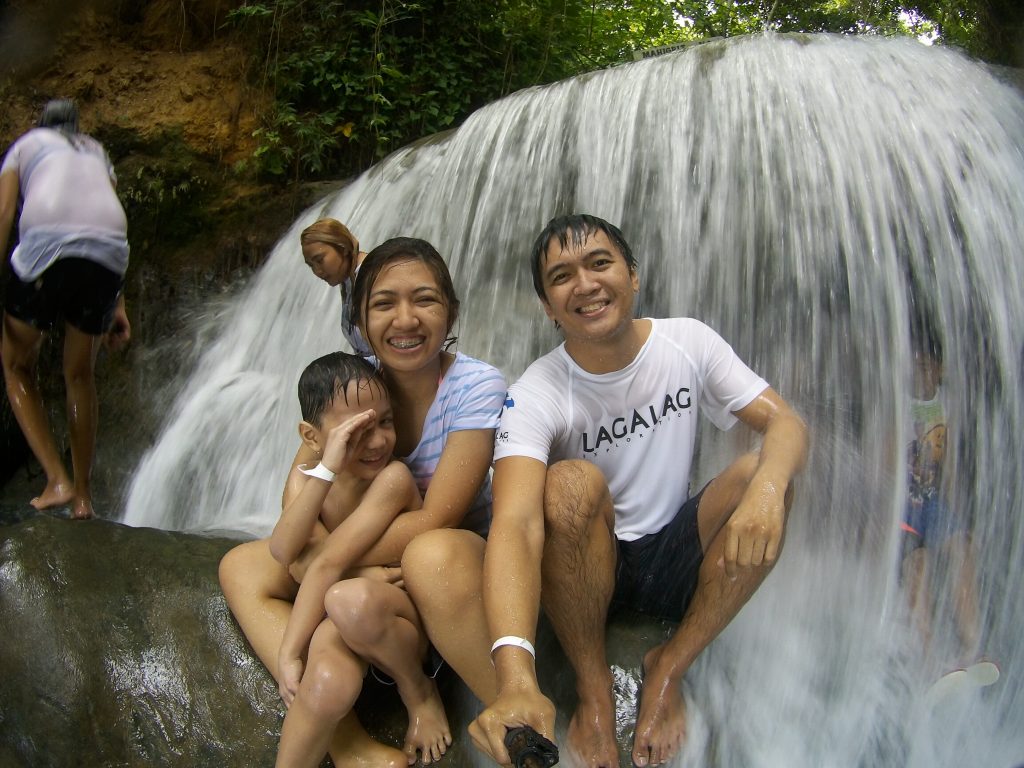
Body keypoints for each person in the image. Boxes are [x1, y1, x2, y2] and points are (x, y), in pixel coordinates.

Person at [405, 214, 808, 768]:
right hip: (588, 567)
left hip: (674, 552)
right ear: (548, 307)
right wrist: (517, 675)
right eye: (562, 276)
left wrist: (766, 490)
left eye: (600, 263)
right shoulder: (538, 391)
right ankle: (595, 694)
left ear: (633, 276)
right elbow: (517, 524)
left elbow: (785, 422)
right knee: (570, 481)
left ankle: (668, 667)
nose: (587, 285)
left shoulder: (687, 341)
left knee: (767, 474)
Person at [219, 236, 506, 767]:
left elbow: (436, 516)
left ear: (451, 311)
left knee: (426, 553)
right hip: (363, 566)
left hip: (440, 567)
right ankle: (349, 746)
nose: (405, 319)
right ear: (359, 316)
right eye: (383, 303)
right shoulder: (356, 384)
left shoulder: (475, 386)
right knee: (240, 565)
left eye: (424, 299)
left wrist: (332, 563)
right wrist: (330, 564)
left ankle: (456, 698)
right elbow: (303, 482)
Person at [271, 350, 450, 766]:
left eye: (384, 422)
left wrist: (288, 651)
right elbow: (282, 550)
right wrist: (327, 469)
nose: (377, 442)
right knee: (326, 682)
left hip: (396, 619)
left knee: (348, 599)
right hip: (339, 613)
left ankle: (418, 691)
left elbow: (324, 565)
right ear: (313, 438)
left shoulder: (392, 478)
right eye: (354, 433)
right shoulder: (307, 478)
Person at [0, 98, 131, 520]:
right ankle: (83, 498)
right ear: (76, 127)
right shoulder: (96, 151)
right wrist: (118, 302)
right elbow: (107, 221)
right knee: (80, 373)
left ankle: (58, 480)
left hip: (45, 243)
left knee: (16, 365)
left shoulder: (25, 144)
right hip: (109, 255)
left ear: (41, 123)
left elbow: (4, 212)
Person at [899, 320, 982, 669]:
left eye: (925, 367)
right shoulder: (897, 402)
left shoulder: (947, 406)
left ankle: (972, 647)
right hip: (901, 507)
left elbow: (948, 467)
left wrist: (956, 514)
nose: (919, 375)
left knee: (962, 546)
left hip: (932, 503)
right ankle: (927, 658)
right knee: (919, 563)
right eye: (914, 367)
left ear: (940, 368)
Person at [300, 218, 371, 355]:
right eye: (311, 265)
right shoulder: (347, 278)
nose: (317, 271)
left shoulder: (373, 277)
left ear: (343, 248)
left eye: (319, 260)